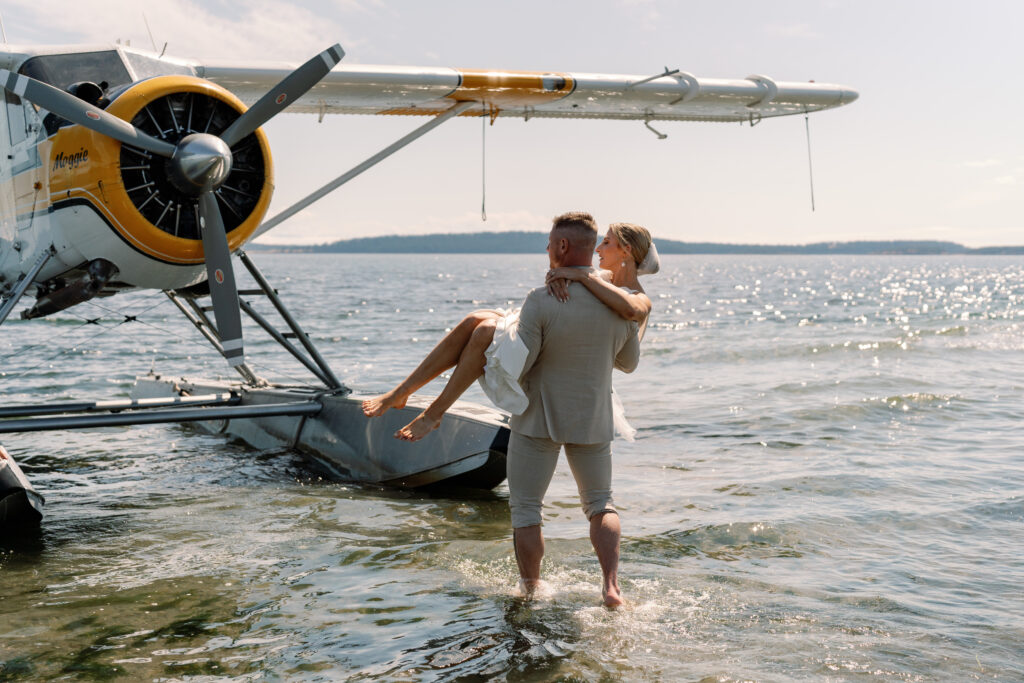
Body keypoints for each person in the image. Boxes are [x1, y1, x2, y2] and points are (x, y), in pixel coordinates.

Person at [361, 217, 658, 442]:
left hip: (573, 367)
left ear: (626, 251)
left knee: (485, 329)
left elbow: (629, 314)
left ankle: (435, 413)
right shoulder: (600, 278)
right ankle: (401, 392)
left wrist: (575, 276)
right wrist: (563, 277)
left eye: (606, 242)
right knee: (474, 320)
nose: (597, 248)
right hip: (547, 337)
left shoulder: (636, 295)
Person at [504, 213, 644, 608]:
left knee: (527, 508)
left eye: (550, 243)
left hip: (538, 418)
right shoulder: (621, 304)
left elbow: (521, 365)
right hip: (594, 417)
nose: (547, 249)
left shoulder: (541, 298)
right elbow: (629, 363)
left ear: (563, 247)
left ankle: (531, 589)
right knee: (601, 503)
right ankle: (612, 586)